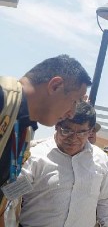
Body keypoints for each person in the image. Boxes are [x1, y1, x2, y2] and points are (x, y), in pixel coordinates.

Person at [0, 55, 91, 224]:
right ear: (55, 85)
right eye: (74, 101)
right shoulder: (3, 100)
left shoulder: (24, 129)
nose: (71, 112)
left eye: (81, 132)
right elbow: (12, 190)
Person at [18, 101, 108, 227]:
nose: (73, 138)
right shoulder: (35, 157)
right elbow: (11, 198)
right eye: (66, 130)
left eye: (81, 133)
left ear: (90, 131)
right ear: (57, 125)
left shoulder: (100, 159)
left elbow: (106, 200)